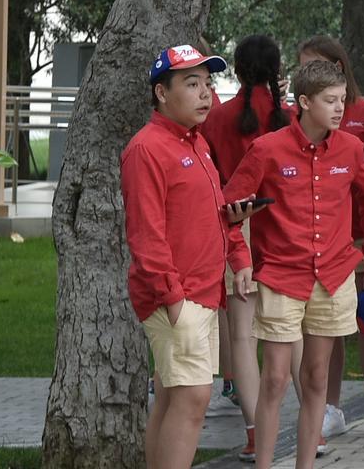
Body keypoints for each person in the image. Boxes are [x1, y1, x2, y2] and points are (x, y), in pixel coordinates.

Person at [223, 59, 364, 469]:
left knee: (316, 377)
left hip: (333, 275)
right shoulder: (267, 149)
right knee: (276, 379)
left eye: (342, 99)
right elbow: (228, 211)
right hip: (282, 276)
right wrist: (241, 260)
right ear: (304, 102)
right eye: (330, 100)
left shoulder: (351, 149)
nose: (339, 108)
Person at [123, 45, 255, 469]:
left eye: (208, 84)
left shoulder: (198, 144)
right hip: (176, 297)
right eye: (192, 84)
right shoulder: (147, 149)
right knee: (194, 397)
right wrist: (173, 299)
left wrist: (238, 257)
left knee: (172, 395)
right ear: (162, 93)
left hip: (203, 292)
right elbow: (146, 235)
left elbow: (216, 213)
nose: (205, 94)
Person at [201, 34, 291, 462]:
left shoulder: (217, 118)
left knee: (242, 335)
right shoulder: (290, 117)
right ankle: (312, 427)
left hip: (235, 225)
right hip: (284, 229)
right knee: (291, 333)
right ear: (278, 71)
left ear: (237, 71)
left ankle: (254, 431)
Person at [294, 35, 364, 437]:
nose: (304, 73)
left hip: (360, 240)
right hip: (320, 243)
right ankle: (330, 407)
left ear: (338, 67)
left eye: (312, 65)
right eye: (301, 67)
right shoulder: (297, 119)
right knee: (325, 330)